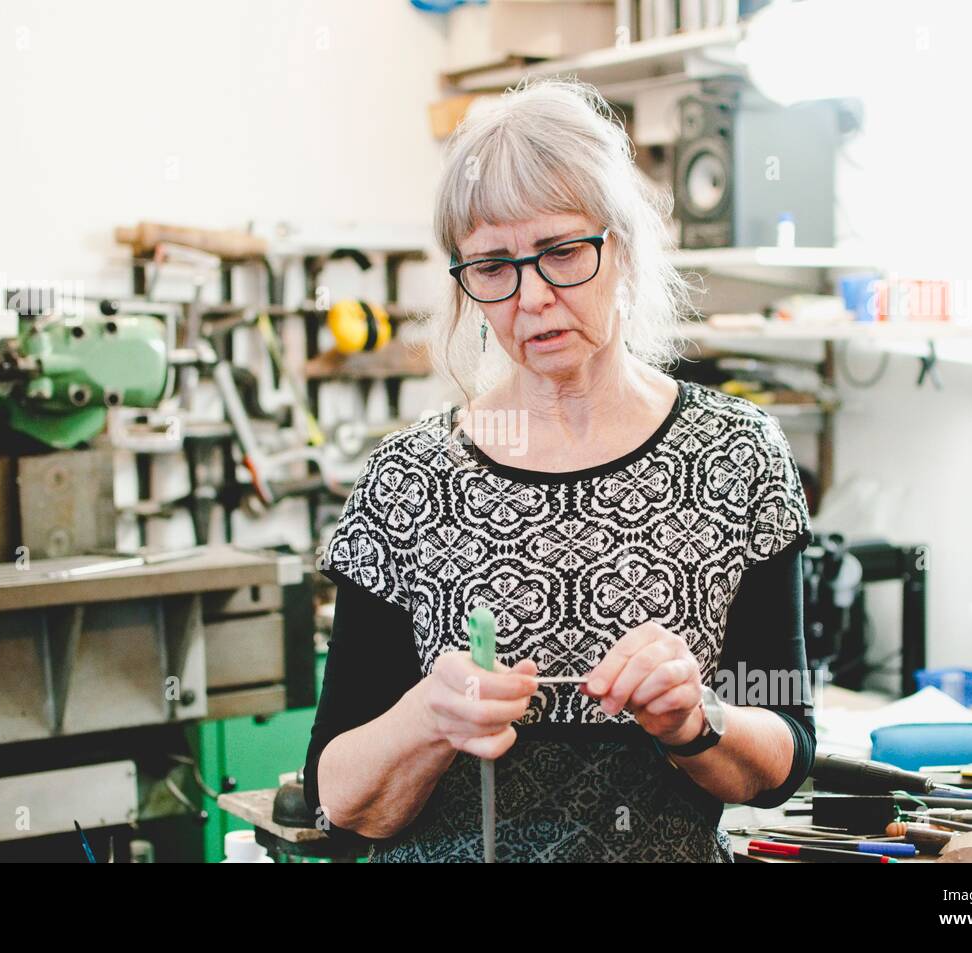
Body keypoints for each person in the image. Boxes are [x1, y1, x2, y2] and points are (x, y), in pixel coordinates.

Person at [304, 78, 814, 862]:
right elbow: (334, 797)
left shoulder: (736, 458)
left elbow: (784, 759)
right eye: (493, 267)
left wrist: (696, 719)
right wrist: (429, 719)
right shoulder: (409, 480)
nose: (533, 297)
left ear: (626, 244)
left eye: (564, 252)